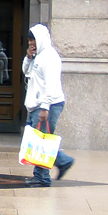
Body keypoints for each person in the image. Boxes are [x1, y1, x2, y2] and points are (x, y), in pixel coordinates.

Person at [23, 24, 75, 187]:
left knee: (41, 143)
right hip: (37, 105)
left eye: (33, 40)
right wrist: (28, 58)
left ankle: (42, 177)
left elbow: (50, 85)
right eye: (29, 40)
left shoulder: (50, 57)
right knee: (37, 141)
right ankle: (63, 161)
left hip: (48, 105)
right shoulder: (38, 56)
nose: (31, 43)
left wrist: (45, 107)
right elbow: (26, 72)